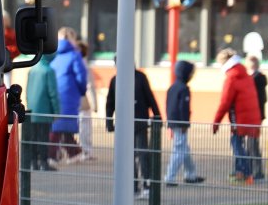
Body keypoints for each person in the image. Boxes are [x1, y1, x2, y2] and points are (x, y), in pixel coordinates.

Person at [105, 65, 163, 196]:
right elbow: (150, 97)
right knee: (138, 154)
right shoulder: (127, 78)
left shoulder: (119, 79)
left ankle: (139, 185)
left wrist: (109, 122)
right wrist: (157, 115)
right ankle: (139, 185)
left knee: (135, 154)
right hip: (133, 122)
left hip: (132, 122)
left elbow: (110, 103)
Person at [213, 52, 263, 183]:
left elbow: (225, 102)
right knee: (241, 143)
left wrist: (216, 122)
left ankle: (246, 173)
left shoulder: (231, 78)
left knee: (236, 144)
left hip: (239, 117)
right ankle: (240, 172)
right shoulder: (245, 75)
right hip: (252, 116)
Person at [48, 28, 89, 163]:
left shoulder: (53, 54)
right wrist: (82, 90)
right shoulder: (74, 55)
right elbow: (81, 76)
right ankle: (53, 155)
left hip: (55, 92)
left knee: (59, 125)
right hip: (70, 93)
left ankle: (72, 153)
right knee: (61, 126)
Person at [164, 60, 205, 185]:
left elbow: (168, 106)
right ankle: (169, 177)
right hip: (180, 124)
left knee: (184, 149)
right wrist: (184, 124)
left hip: (173, 122)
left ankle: (190, 174)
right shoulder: (184, 89)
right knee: (179, 150)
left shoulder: (172, 87)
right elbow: (183, 108)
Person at [24, 54, 59, 170]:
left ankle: (34, 163)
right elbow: (53, 93)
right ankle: (44, 163)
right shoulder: (49, 71)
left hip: (32, 111)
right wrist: (56, 112)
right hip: (45, 111)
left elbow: (27, 90)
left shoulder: (32, 70)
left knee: (33, 138)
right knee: (43, 138)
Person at [245, 53, 268, 181]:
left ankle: (257, 171)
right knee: (251, 144)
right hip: (254, 114)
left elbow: (261, 99)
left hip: (256, 114)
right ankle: (251, 170)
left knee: (253, 143)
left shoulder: (258, 79)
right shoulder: (256, 78)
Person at [75, 39, 97, 161]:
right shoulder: (84, 66)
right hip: (83, 101)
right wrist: (95, 104)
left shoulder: (75, 63)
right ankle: (85, 151)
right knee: (85, 127)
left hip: (73, 100)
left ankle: (81, 151)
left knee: (80, 126)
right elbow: (90, 86)